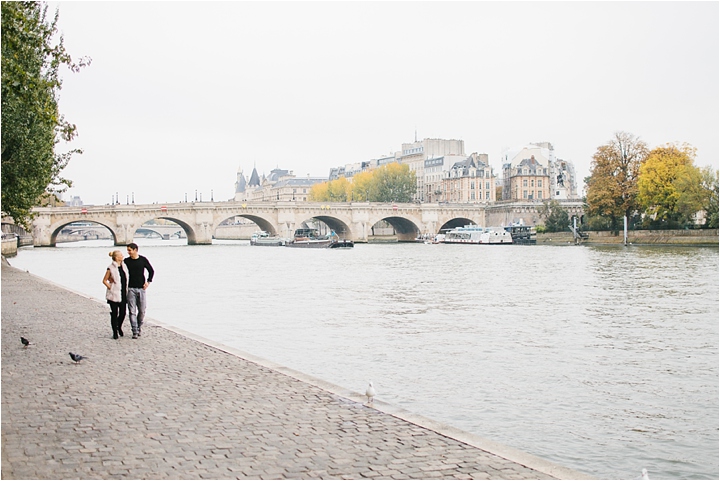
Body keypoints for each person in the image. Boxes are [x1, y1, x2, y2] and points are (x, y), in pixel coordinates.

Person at [124, 243, 154, 339]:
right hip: (130, 288)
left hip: (141, 288)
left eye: (130, 250)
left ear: (135, 250)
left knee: (142, 310)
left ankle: (139, 326)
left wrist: (148, 282)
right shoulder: (126, 261)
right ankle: (135, 330)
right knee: (132, 311)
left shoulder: (143, 260)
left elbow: (151, 270)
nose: (128, 252)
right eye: (128, 250)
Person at [102, 250, 129, 339]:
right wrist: (111, 287)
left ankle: (118, 326)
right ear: (117, 257)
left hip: (123, 293)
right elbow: (104, 280)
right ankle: (115, 332)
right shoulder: (111, 268)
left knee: (123, 313)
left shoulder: (124, 266)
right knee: (114, 313)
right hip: (114, 294)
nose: (122, 256)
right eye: (121, 255)